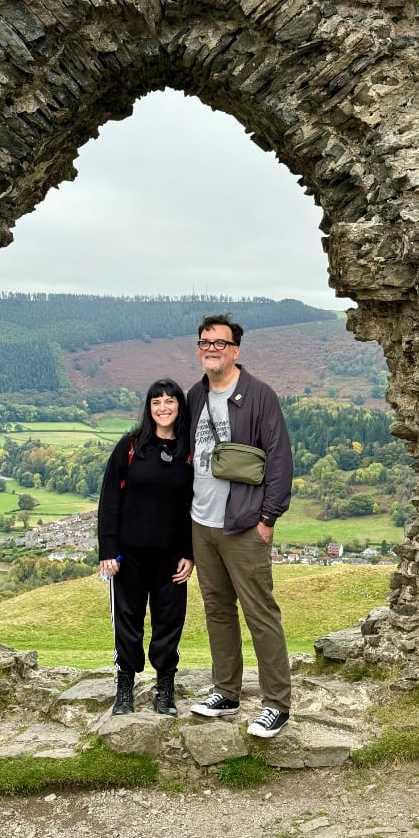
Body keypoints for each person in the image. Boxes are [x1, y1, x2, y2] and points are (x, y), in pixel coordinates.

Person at [185, 313, 296, 738]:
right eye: (204, 343)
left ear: (236, 350)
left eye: (219, 343)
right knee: (217, 610)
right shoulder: (196, 395)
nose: (211, 349)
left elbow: (280, 459)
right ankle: (227, 692)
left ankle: (276, 703)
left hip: (245, 523)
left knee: (260, 612)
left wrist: (268, 518)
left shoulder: (258, 395)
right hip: (202, 522)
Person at [96, 378, 195, 717]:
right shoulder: (130, 445)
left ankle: (164, 687)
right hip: (129, 555)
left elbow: (192, 507)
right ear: (149, 408)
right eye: (156, 402)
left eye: (170, 401)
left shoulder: (189, 451)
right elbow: (110, 498)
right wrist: (107, 551)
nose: (163, 407)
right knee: (127, 620)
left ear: (179, 407)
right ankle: (124, 685)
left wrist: (190, 553)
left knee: (169, 622)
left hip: (171, 557)